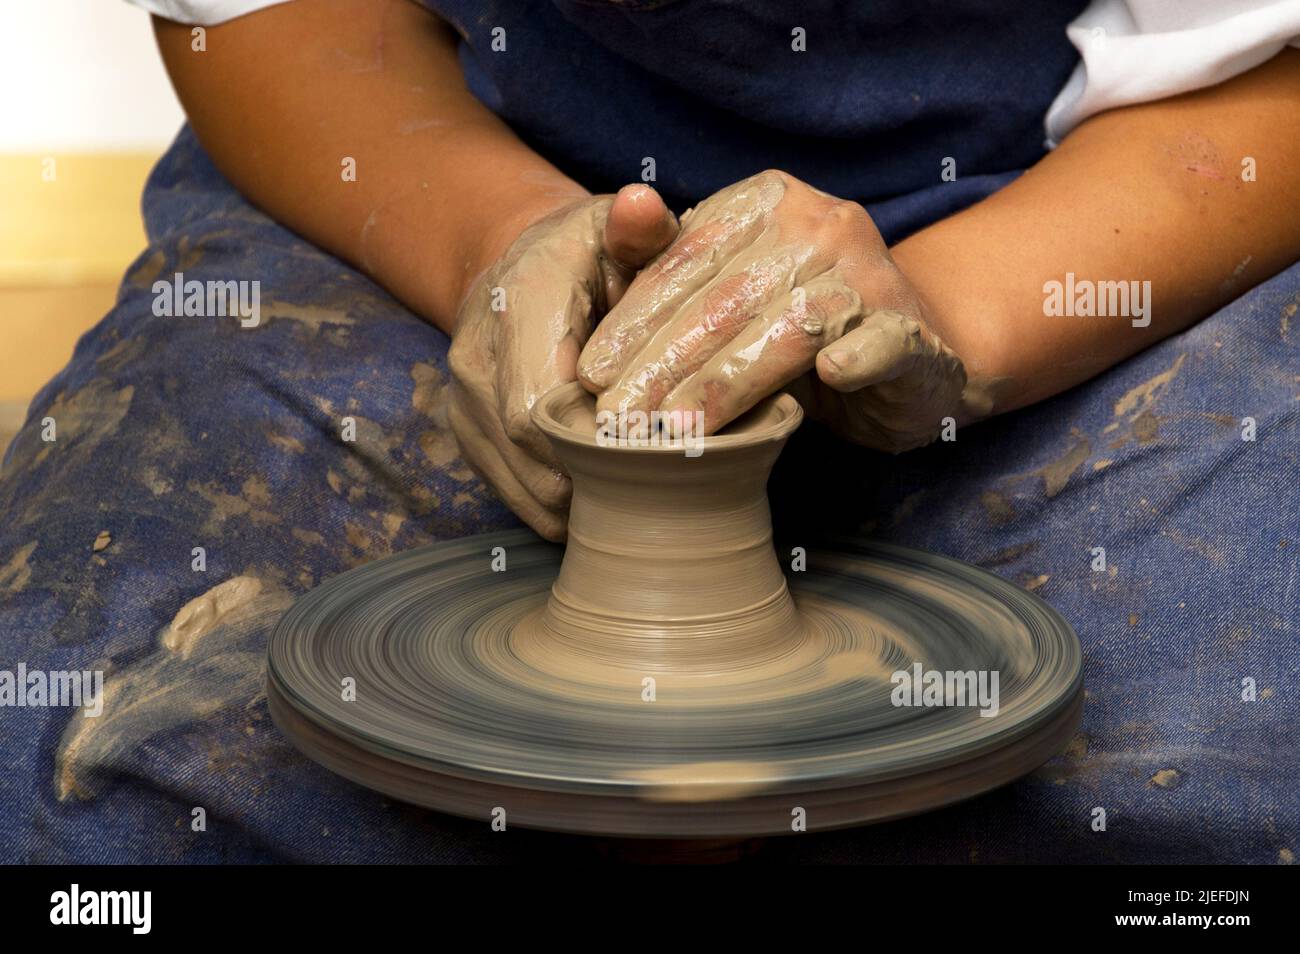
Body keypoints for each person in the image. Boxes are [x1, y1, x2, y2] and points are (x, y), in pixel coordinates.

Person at [0, 0, 1295, 863]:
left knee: (1229, 781)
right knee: (77, 759)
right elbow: (268, 16)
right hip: (438, 163)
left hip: (1074, 219)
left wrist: (956, 318)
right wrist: (484, 245)